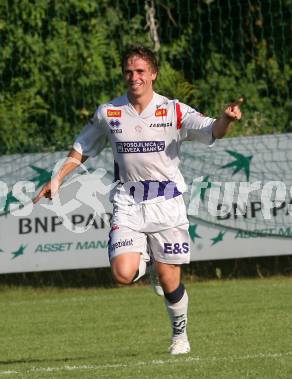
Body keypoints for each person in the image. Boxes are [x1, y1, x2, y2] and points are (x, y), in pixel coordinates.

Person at [34, 45, 242, 355]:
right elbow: (81, 148)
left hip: (167, 203)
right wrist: (57, 179)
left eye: (141, 71)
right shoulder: (109, 112)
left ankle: (179, 336)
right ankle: (148, 263)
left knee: (171, 281)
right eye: (129, 72)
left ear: (154, 74)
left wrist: (226, 119)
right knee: (122, 274)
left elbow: (212, 130)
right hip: (128, 202)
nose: (135, 77)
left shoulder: (173, 110)